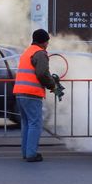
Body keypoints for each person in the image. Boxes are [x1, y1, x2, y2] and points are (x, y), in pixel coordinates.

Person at [13, 29, 57, 162]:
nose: (48, 44)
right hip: (31, 93)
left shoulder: (27, 52)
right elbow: (42, 73)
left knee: (26, 124)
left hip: (20, 92)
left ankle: (26, 152)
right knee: (35, 124)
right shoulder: (40, 53)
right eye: (47, 41)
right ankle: (31, 154)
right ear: (44, 42)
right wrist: (52, 85)